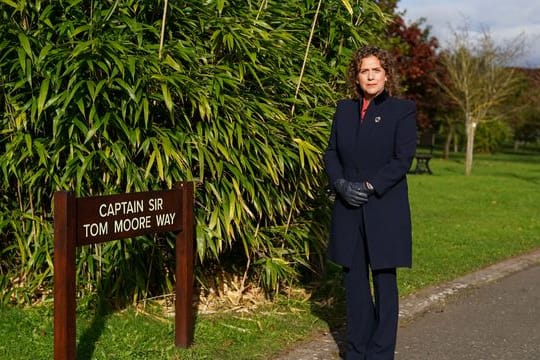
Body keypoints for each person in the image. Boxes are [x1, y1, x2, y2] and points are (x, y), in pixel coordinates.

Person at [323, 45, 417, 360]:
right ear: (357, 76)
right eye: (365, 70)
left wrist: (369, 185)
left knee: (384, 283)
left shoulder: (402, 110)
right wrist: (339, 184)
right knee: (354, 285)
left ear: (386, 74)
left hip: (384, 210)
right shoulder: (343, 110)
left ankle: (379, 353)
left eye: (376, 69)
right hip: (348, 208)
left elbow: (402, 159)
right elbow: (331, 152)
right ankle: (356, 350)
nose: (371, 75)